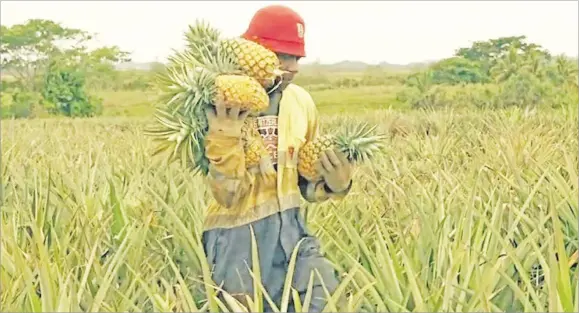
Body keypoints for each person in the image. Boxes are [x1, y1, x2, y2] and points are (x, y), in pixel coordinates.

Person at [201, 4, 354, 312]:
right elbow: (226, 194)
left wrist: (335, 186)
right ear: (251, 51)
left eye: (296, 57)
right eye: (282, 56)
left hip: (293, 231)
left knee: (327, 301)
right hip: (237, 240)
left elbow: (302, 180)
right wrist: (225, 137)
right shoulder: (220, 101)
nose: (292, 66)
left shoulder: (301, 101)